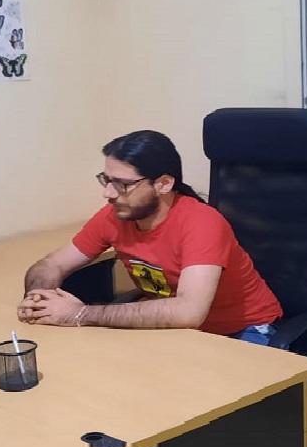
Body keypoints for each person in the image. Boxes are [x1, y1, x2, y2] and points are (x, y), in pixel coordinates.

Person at [17, 130, 283, 345]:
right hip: (180, 332)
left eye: (122, 184)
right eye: (106, 180)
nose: (108, 193)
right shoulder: (116, 215)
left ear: (163, 184)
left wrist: (80, 314)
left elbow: (189, 312)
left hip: (242, 331)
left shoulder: (202, 223)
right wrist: (39, 298)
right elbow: (52, 264)